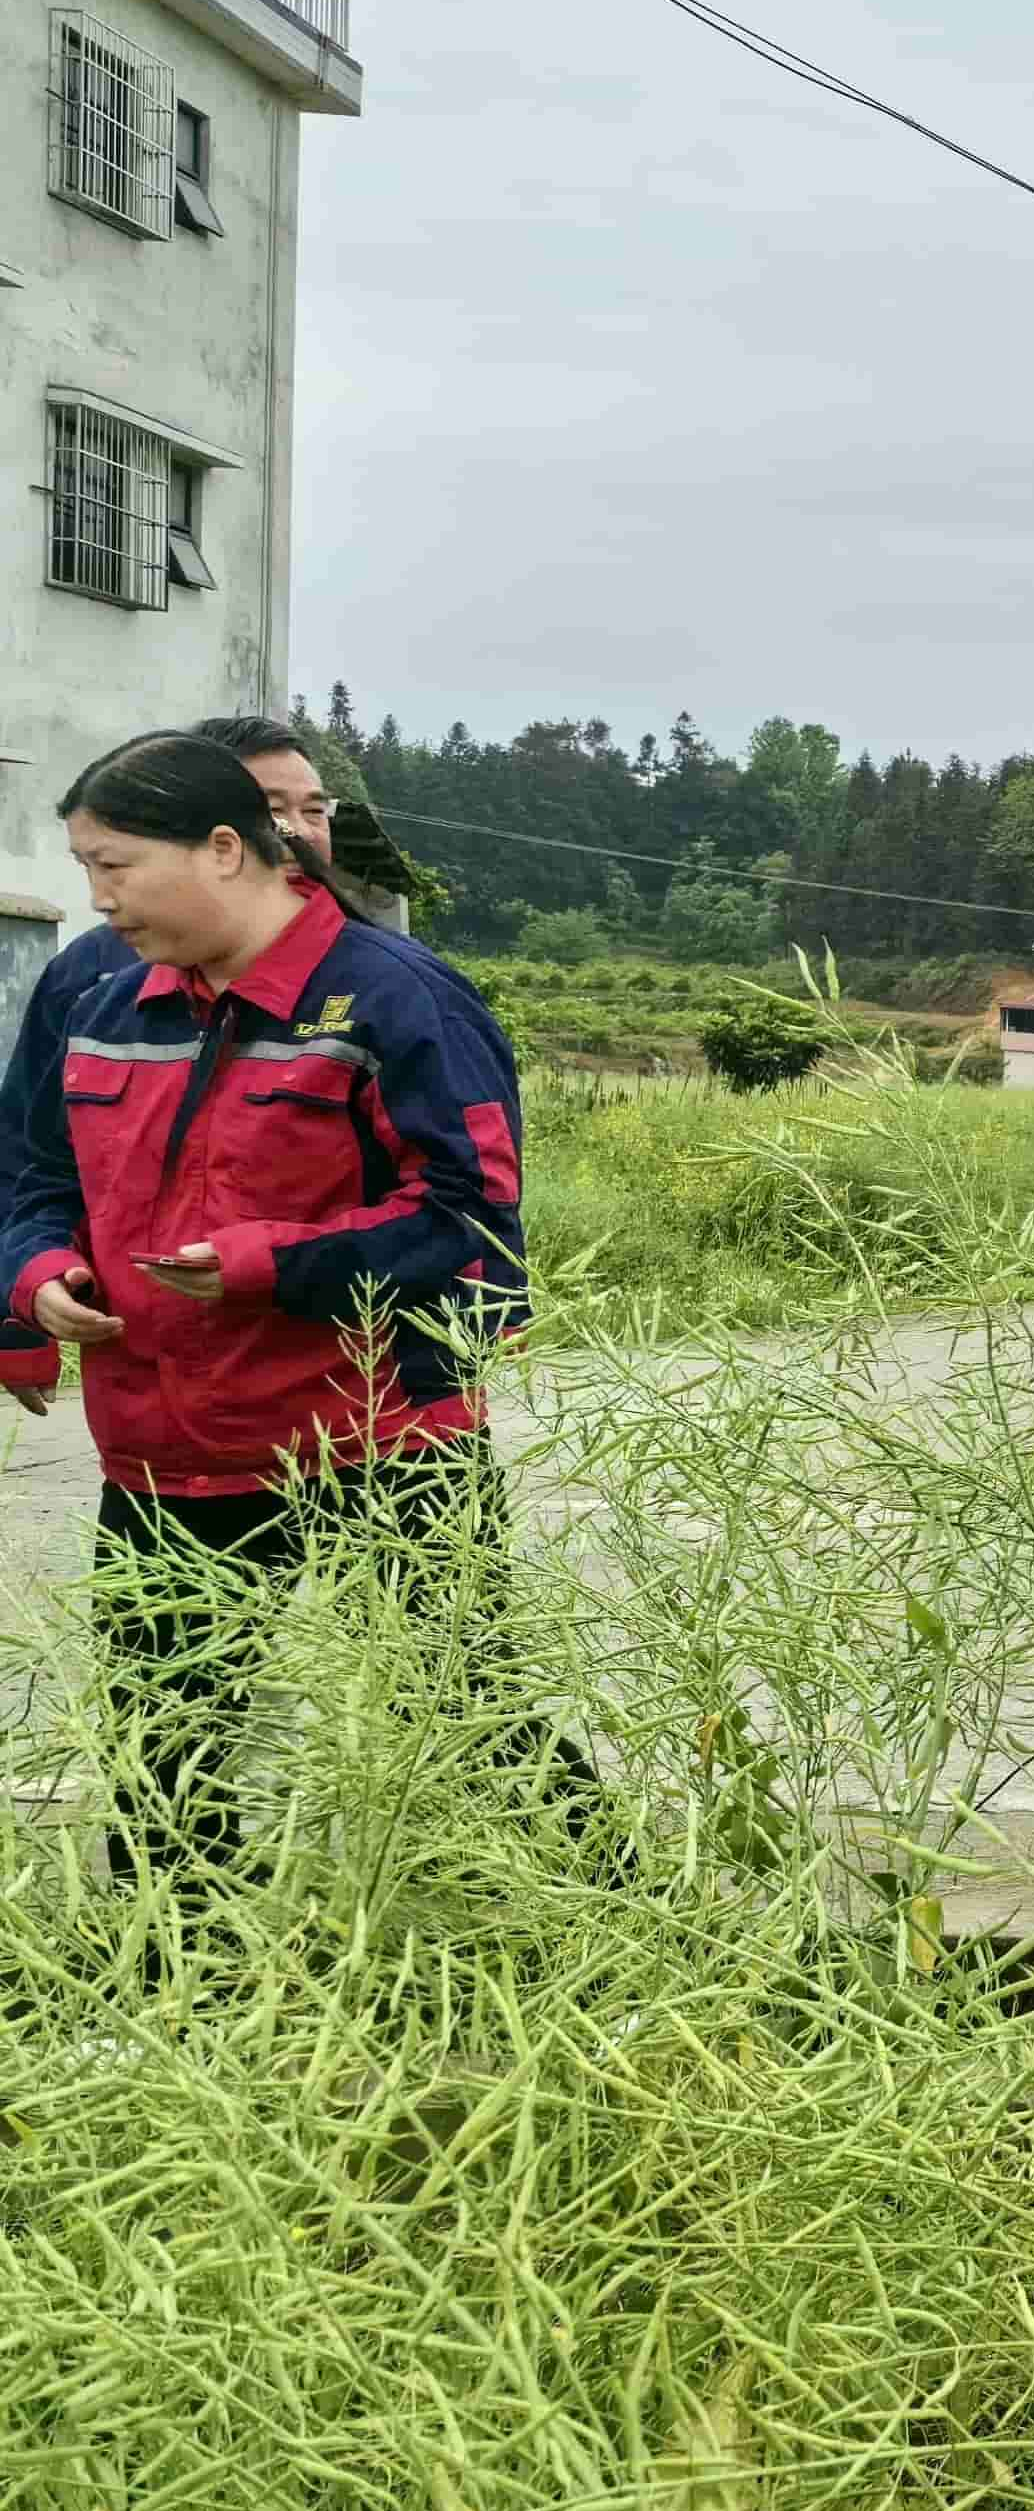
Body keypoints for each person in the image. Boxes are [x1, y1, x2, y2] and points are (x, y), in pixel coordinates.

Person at [0, 729, 605, 1905]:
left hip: (375, 1440)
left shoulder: (396, 998)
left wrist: (267, 1264)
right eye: (84, 867)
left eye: (116, 864)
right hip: (166, 1447)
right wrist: (34, 1281)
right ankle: (187, 2003)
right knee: (164, 1755)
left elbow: (472, 1219)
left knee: (462, 1709)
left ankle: (622, 1928)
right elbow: (31, 1172)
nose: (98, 897)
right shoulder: (100, 991)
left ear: (225, 849)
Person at [4, 716, 344, 1418]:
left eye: (313, 810)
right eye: (271, 808)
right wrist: (16, 1311)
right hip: (153, 1403)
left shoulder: (377, 980)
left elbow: (458, 1187)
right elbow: (33, 1158)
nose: (297, 831)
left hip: (339, 1402)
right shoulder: (93, 980)